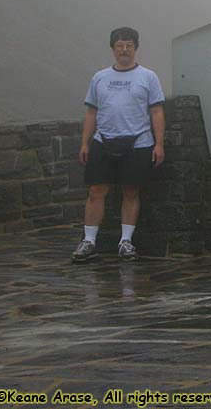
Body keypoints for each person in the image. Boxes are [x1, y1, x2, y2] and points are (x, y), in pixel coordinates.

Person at [71, 27, 165, 262]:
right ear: (113, 48)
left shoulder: (148, 77)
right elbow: (92, 112)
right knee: (95, 191)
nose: (124, 49)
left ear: (135, 48)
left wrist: (159, 144)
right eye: (120, 45)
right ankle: (89, 241)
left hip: (139, 142)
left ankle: (126, 241)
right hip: (103, 141)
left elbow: (156, 111)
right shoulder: (100, 77)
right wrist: (85, 143)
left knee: (131, 191)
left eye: (129, 45)